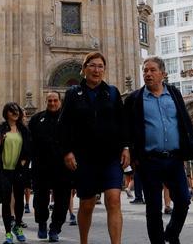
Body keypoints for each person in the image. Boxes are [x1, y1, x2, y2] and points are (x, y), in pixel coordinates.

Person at [125, 56, 193, 244]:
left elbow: (185, 122)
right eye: (145, 70)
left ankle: (172, 232)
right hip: (149, 160)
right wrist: (132, 153)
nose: (148, 74)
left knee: (184, 200)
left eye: (152, 70)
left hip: (174, 158)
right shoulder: (135, 99)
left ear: (163, 74)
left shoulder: (174, 94)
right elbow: (127, 129)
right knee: (153, 208)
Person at [58, 52, 129, 244]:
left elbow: (122, 123)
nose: (96, 70)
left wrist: (126, 147)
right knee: (87, 204)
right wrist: (67, 151)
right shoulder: (73, 94)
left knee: (114, 199)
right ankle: (84, 241)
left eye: (100, 66)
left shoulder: (112, 93)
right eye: (92, 65)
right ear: (84, 69)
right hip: (85, 157)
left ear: (104, 70)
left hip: (110, 156)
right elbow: (63, 125)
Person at [29, 91, 71, 242]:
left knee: (62, 199)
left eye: (55, 100)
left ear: (60, 102)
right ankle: (41, 224)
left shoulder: (68, 119)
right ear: (45, 101)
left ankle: (55, 228)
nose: (52, 103)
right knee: (40, 198)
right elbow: (30, 142)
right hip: (41, 167)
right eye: (49, 101)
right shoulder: (36, 119)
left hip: (63, 167)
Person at [0, 102, 32, 244]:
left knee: (19, 200)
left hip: (19, 170)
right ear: (6, 113)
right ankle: (8, 232)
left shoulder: (23, 130)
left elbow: (28, 148)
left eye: (17, 111)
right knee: (6, 201)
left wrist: (24, 162)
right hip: (4, 170)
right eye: (12, 111)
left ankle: (18, 226)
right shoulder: (0, 129)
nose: (15, 113)